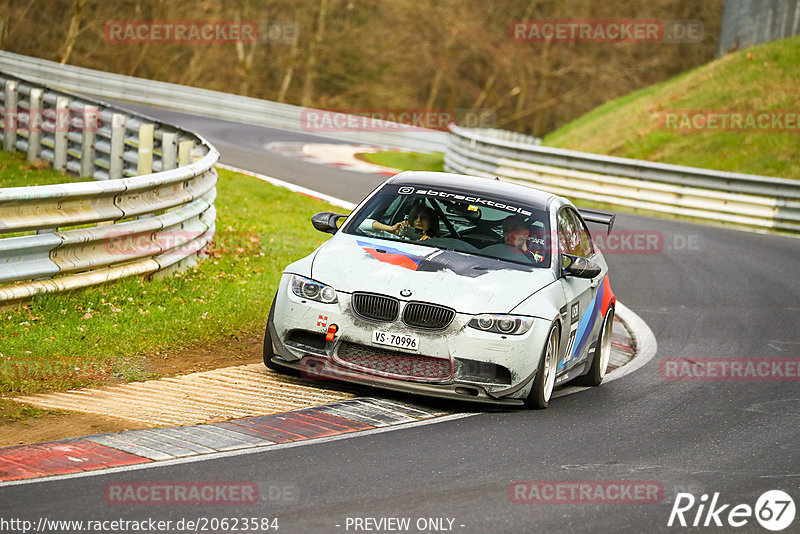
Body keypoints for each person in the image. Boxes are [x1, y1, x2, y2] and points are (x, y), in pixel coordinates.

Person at [362, 204, 439, 241]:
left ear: (431, 223)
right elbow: (360, 224)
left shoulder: (437, 243)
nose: (419, 220)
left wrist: (429, 241)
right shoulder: (398, 236)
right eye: (415, 217)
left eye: (424, 217)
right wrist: (391, 228)